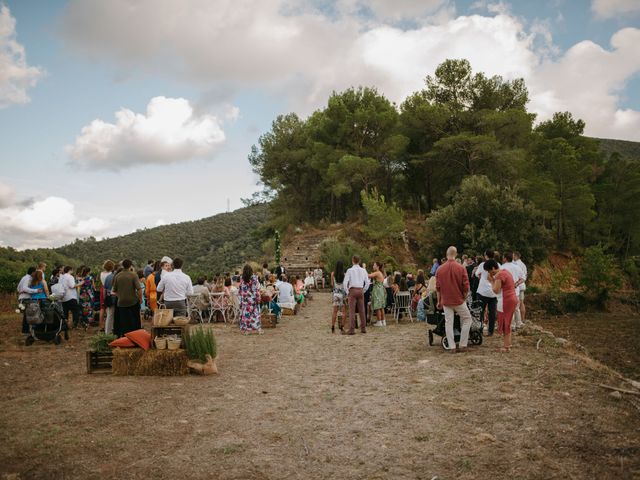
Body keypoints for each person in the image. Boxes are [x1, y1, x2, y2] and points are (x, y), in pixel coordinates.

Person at [436, 246, 473, 353]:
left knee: (448, 322)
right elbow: (466, 286)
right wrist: (464, 296)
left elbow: (438, 288)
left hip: (446, 300)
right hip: (458, 299)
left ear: (446, 255)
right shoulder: (461, 268)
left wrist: (439, 301)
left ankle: (452, 346)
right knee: (467, 319)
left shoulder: (440, 269)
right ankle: (462, 344)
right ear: (455, 254)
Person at [485, 259, 517, 352]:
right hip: (511, 298)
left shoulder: (499, 275)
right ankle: (507, 344)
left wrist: (491, 281)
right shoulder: (505, 271)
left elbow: (496, 290)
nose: (489, 272)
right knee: (508, 322)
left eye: (489, 270)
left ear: (493, 268)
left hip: (505, 299)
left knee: (505, 323)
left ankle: (506, 346)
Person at [111, 259, 141, 337]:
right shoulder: (133, 275)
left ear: (122, 266)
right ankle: (135, 336)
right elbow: (139, 289)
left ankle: (125, 337)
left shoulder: (118, 275)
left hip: (121, 302)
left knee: (124, 322)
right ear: (130, 266)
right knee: (135, 321)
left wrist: (121, 296)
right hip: (133, 301)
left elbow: (114, 291)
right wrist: (140, 299)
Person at [343, 255, 370, 335]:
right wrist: (364, 290)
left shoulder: (349, 270)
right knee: (362, 310)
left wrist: (347, 292)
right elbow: (367, 282)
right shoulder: (363, 270)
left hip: (352, 290)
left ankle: (352, 329)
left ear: (352, 260)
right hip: (360, 290)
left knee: (352, 311)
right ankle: (363, 328)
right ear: (359, 261)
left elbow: (345, 283)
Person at [475, 250, 499, 336]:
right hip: (493, 292)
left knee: (480, 312)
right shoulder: (498, 265)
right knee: (492, 313)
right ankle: (490, 331)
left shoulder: (482, 265)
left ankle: (479, 329)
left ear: (486, 256)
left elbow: (477, 274)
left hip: (482, 291)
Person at [500, 252, 525, 330]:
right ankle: (518, 323)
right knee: (516, 308)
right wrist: (517, 283)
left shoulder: (502, 268)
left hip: (506, 291)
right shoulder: (517, 267)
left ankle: (512, 325)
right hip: (516, 290)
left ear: (505, 258)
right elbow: (523, 278)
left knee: (508, 309)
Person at [238, 264, 263, 334]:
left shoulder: (242, 278)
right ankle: (259, 330)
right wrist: (258, 298)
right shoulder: (255, 278)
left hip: (245, 300)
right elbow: (257, 289)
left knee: (246, 315)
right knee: (255, 314)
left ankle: (247, 331)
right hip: (253, 299)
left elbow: (240, 289)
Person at [18, 267, 40, 333]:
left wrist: (21, 291)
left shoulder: (24, 277)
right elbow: (24, 288)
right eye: (35, 272)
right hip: (25, 298)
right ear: (32, 272)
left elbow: (18, 288)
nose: (36, 273)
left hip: (22, 298)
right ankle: (26, 331)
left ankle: (25, 330)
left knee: (26, 315)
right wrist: (36, 290)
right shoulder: (27, 278)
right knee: (30, 314)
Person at [330, 261, 346, 333]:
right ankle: (342, 327)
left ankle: (333, 327)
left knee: (334, 312)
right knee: (343, 312)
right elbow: (345, 285)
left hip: (336, 294)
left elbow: (332, 284)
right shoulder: (344, 275)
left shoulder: (333, 274)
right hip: (342, 294)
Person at [369, 261, 386, 327]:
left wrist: (364, 269)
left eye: (374, 265)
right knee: (381, 307)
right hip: (380, 290)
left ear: (378, 266)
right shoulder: (380, 273)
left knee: (377, 306)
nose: (373, 266)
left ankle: (379, 321)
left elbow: (368, 276)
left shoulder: (377, 273)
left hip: (377, 291)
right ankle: (383, 321)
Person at [103, 266, 118, 334]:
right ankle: (114, 330)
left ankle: (107, 332)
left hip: (108, 297)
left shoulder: (108, 276)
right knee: (116, 315)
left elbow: (104, 289)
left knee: (109, 315)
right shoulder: (117, 276)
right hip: (115, 297)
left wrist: (104, 298)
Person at [513, 251, 527, 323]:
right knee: (521, 303)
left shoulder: (516, 264)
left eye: (513, 256)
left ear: (515, 256)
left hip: (517, 286)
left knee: (517, 304)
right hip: (522, 285)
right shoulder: (523, 264)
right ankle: (522, 319)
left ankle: (518, 320)